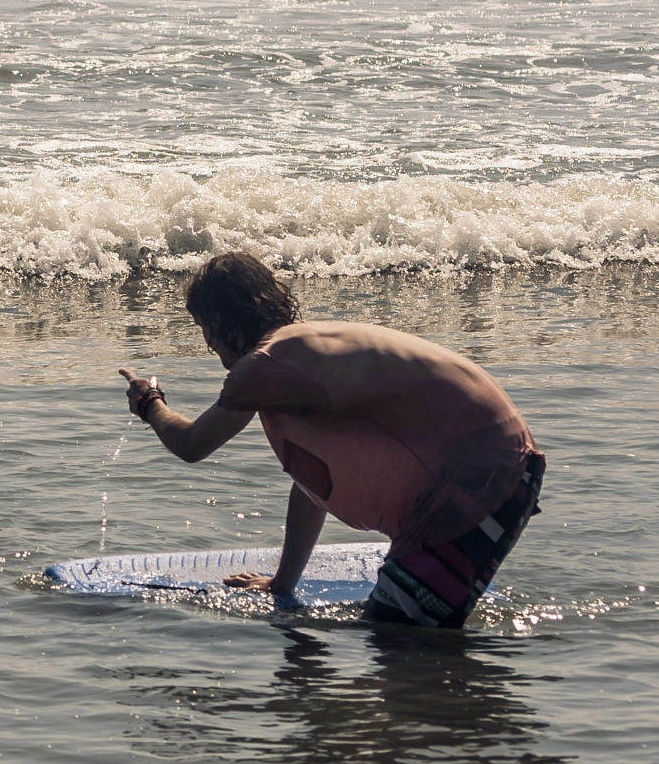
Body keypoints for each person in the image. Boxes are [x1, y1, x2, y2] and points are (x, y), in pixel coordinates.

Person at [117, 251, 544, 628]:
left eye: (204, 326)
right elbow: (310, 484)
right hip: (502, 464)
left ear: (227, 320)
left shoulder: (266, 364)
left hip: (475, 477)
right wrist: (284, 582)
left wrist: (150, 403)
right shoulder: (302, 351)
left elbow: (193, 445)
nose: (207, 342)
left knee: (399, 641)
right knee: (407, 639)